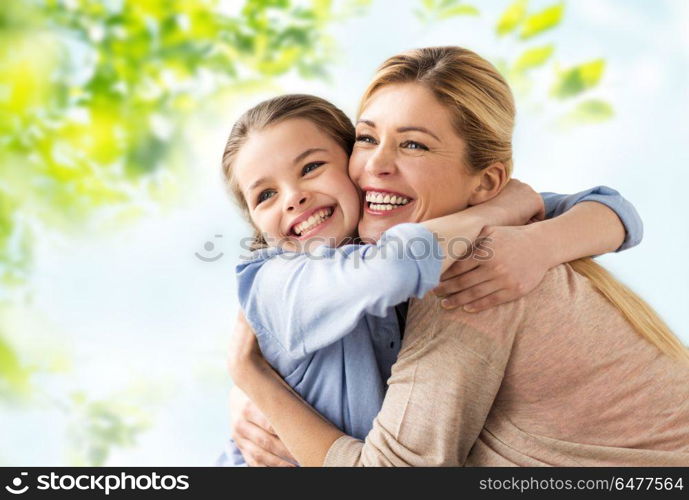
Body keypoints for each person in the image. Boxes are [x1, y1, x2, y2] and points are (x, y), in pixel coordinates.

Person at [227, 46, 689, 467]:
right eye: (367, 139)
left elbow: (612, 208)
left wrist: (258, 385)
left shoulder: (482, 270)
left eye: (413, 144)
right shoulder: (300, 273)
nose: (376, 166)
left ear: (485, 182)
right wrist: (506, 211)